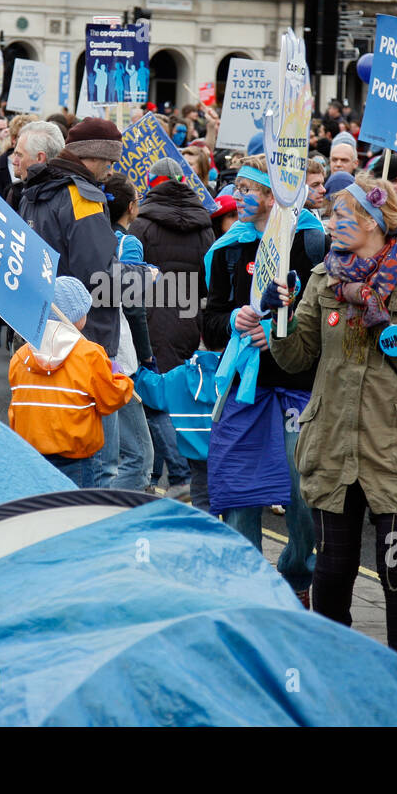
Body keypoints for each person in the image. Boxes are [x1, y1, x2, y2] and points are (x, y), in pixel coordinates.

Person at [268, 175, 397, 666]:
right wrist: (278, 320)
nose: (333, 223)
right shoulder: (321, 279)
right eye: (332, 214)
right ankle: (334, 675)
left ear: (378, 223)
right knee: (331, 570)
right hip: (332, 443)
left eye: (345, 216)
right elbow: (296, 358)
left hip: (396, 447)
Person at [202, 154, 326, 608]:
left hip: (296, 386)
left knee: (303, 496)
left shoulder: (313, 242)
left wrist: (280, 329)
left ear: (274, 195)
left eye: (248, 189)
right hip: (243, 389)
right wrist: (233, 318)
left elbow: (322, 322)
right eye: (237, 187)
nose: (238, 196)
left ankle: (296, 572)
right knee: (239, 493)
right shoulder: (227, 249)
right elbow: (210, 322)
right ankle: (248, 590)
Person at [128, 158, 215, 500]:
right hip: (188, 316)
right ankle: (159, 472)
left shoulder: (142, 224)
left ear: (152, 184)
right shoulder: (204, 224)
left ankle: (179, 475)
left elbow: (131, 277)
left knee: (154, 398)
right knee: (177, 393)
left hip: (152, 316)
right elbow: (208, 277)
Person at [8, 277, 134, 486]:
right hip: (78, 459)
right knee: (76, 513)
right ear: (77, 315)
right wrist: (119, 375)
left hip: (31, 455)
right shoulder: (90, 354)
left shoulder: (21, 356)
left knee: (40, 512)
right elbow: (111, 399)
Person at [18, 118, 122, 358]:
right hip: (82, 333)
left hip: (37, 325)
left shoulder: (33, 191)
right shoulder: (81, 197)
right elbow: (98, 275)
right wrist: (146, 277)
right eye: (110, 161)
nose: (112, 169)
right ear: (92, 156)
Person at [102, 173, 156, 491]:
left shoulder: (86, 236)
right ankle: (114, 519)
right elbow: (132, 304)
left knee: (104, 452)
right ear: (132, 208)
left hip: (88, 350)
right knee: (137, 456)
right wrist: (146, 352)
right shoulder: (128, 242)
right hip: (118, 354)